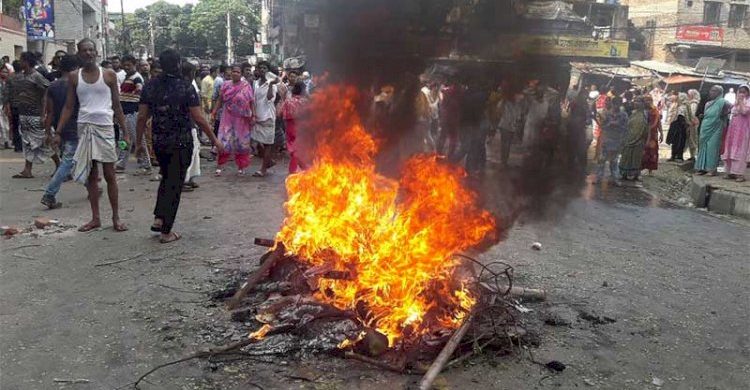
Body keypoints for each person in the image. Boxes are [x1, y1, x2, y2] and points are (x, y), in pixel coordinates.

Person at [136, 49, 223, 243]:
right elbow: (199, 118)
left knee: (166, 177)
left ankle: (159, 218)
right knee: (175, 184)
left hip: (159, 141)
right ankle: (166, 231)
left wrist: (138, 143)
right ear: (178, 64)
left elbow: (142, 116)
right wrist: (214, 139)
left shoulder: (150, 86)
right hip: (181, 141)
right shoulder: (185, 87)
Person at [56, 38, 130, 232]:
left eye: (91, 50)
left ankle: (116, 218)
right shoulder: (74, 77)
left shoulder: (109, 75)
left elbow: (117, 105)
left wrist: (125, 132)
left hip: (105, 127)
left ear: (96, 52)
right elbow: (69, 106)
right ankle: (95, 218)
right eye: (84, 51)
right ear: (79, 54)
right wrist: (58, 131)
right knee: (91, 175)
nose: (88, 53)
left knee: (110, 174)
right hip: (85, 127)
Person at [7, 52, 57, 178]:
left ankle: (59, 165)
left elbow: (48, 90)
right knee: (27, 142)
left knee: (42, 141)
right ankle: (27, 170)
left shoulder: (37, 76)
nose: (19, 62)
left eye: (21, 60)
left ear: (27, 61)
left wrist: (43, 113)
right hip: (23, 113)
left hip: (35, 114)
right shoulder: (21, 76)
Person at [41, 55, 80, 209]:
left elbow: (49, 112)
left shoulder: (53, 86)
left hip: (60, 128)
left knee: (75, 159)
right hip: (75, 127)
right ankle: (49, 194)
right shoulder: (77, 84)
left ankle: (93, 188)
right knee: (68, 162)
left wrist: (48, 132)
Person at [212, 64, 255, 175]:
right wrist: (214, 112)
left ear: (241, 74)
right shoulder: (225, 85)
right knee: (223, 141)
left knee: (242, 143)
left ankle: (241, 167)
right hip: (227, 117)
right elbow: (220, 100)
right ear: (230, 73)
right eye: (234, 71)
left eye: (238, 72)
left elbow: (251, 102)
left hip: (242, 119)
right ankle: (219, 166)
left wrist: (253, 115)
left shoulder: (246, 86)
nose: (235, 73)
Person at [115, 54, 149, 174]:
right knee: (123, 139)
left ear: (134, 65)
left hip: (132, 112)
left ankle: (146, 163)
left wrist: (135, 93)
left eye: (128, 65)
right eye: (124, 65)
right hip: (125, 113)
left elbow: (140, 88)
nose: (126, 67)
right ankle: (121, 162)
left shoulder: (136, 77)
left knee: (138, 139)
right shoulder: (126, 77)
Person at [695, 86, 731, 176]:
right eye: (711, 90)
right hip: (705, 126)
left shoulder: (723, 102)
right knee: (703, 147)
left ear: (719, 93)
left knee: (712, 147)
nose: (711, 92)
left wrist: (724, 114)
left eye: (714, 91)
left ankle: (711, 169)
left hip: (716, 127)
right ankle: (702, 168)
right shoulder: (708, 104)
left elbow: (731, 107)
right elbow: (707, 114)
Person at [252, 61, 280, 177]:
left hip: (268, 117)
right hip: (257, 117)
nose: (262, 70)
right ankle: (269, 161)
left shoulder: (272, 84)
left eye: (265, 68)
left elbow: (270, 98)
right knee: (255, 142)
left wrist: (270, 84)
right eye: (260, 68)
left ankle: (263, 169)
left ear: (268, 70)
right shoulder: (256, 83)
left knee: (268, 144)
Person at [594, 97, 628, 184]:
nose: (616, 106)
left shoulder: (623, 115)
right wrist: (609, 124)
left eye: (618, 104)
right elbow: (602, 126)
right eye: (615, 104)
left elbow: (626, 128)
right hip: (607, 138)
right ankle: (598, 177)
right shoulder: (607, 114)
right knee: (602, 160)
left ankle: (615, 179)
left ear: (620, 104)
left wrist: (623, 140)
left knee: (614, 161)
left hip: (617, 139)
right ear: (612, 104)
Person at [721, 85, 750, 182]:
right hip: (733, 129)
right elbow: (731, 112)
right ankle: (730, 172)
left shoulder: (748, 101)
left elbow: (744, 111)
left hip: (743, 130)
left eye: (744, 92)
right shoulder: (735, 102)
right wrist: (737, 102)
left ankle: (739, 174)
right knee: (730, 149)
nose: (741, 94)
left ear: (748, 93)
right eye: (740, 91)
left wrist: (741, 101)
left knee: (740, 150)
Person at [182, 62, 202, 190]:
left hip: (190, 123)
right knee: (190, 152)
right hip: (188, 123)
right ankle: (184, 180)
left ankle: (190, 178)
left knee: (195, 150)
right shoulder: (188, 86)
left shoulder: (189, 85)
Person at [619, 97, 649, 181]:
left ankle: (636, 174)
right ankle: (624, 174)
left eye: (638, 101)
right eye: (635, 101)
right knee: (626, 156)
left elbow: (648, 127)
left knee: (636, 157)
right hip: (629, 137)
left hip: (640, 138)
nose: (636, 103)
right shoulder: (632, 113)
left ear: (643, 104)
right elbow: (628, 125)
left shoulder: (646, 114)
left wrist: (647, 138)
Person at [280, 81, 307, 173]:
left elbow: (280, 113)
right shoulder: (305, 102)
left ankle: (302, 167)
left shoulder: (288, 101)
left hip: (289, 128)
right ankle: (294, 169)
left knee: (293, 148)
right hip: (302, 128)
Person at [496, 90, 526, 167]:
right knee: (505, 144)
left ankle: (504, 161)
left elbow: (520, 114)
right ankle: (504, 161)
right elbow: (499, 110)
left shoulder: (517, 104)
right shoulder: (505, 102)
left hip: (510, 126)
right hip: (506, 125)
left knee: (507, 144)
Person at [666, 93, 692, 162]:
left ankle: (678, 156)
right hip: (678, 126)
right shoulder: (680, 106)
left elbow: (681, 117)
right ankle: (674, 156)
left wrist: (684, 125)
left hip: (680, 127)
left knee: (679, 142)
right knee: (676, 142)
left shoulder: (682, 107)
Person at [640, 95, 662, 175]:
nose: (647, 102)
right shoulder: (641, 111)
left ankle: (650, 170)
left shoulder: (655, 110)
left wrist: (661, 133)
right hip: (643, 133)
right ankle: (640, 169)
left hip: (653, 134)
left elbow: (658, 122)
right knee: (642, 151)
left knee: (652, 152)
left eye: (649, 100)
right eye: (645, 100)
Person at [686, 89, 701, 161]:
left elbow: (692, 113)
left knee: (692, 138)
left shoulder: (694, 103)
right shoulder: (690, 103)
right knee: (690, 138)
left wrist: (689, 121)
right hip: (691, 122)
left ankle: (693, 155)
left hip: (692, 123)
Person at [0, 66, 10, 149]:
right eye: (3, 72)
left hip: (6, 106)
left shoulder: (9, 82)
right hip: (1, 105)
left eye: (6, 72)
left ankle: (7, 142)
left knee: (6, 126)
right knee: (1, 125)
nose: (4, 73)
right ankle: (2, 143)